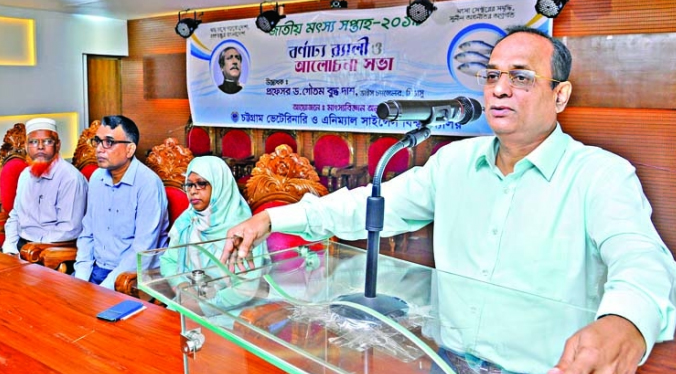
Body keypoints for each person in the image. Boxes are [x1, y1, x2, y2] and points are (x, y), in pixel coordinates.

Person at [218, 26, 676, 374]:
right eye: (492, 75)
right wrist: (274, 220)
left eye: (520, 77)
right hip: (448, 359)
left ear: (560, 95)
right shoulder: (454, 162)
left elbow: (641, 259)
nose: (499, 88)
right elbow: (370, 207)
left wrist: (626, 322)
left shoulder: (600, 175)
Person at [73, 115, 169, 290]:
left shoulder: (148, 184)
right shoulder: (96, 178)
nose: (100, 149)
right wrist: (81, 278)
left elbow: (142, 252)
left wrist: (104, 288)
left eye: (109, 142)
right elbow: (87, 233)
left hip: (130, 278)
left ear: (130, 149)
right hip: (94, 269)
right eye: (98, 141)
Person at [159, 156, 267, 310]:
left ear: (219, 185)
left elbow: (245, 289)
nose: (193, 191)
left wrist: (204, 307)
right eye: (189, 185)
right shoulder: (187, 221)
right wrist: (183, 287)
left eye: (201, 184)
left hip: (231, 313)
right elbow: (167, 261)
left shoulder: (246, 229)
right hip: (186, 303)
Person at [1, 118, 88, 254]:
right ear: (26, 146)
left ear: (58, 145)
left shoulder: (70, 178)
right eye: (34, 142)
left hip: (51, 251)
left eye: (47, 141)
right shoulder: (25, 175)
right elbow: (15, 216)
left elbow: (69, 230)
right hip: (22, 248)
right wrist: (10, 249)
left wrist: (34, 248)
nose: (40, 147)